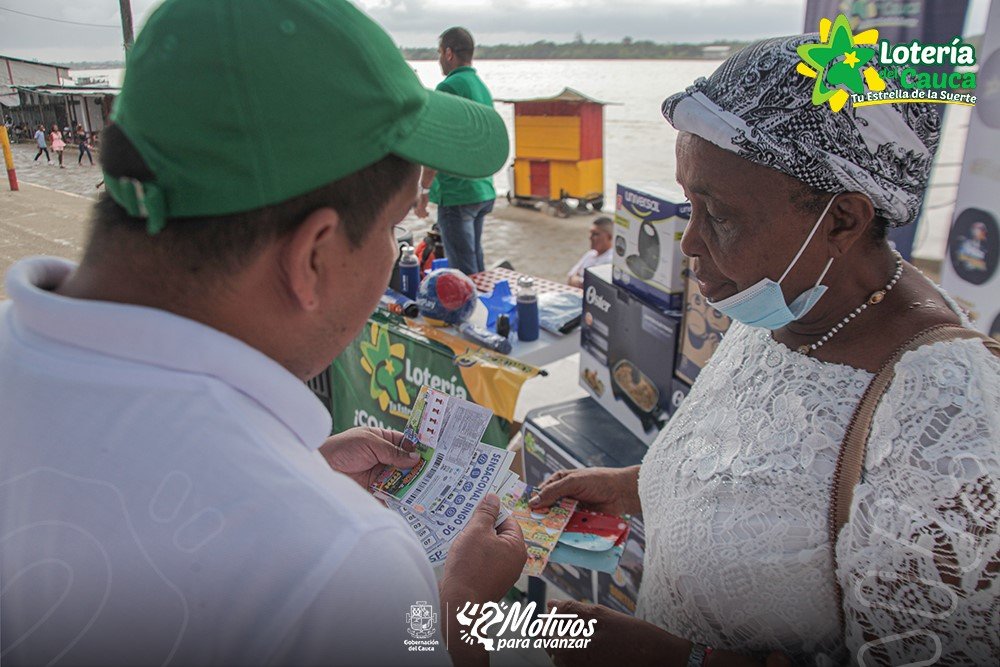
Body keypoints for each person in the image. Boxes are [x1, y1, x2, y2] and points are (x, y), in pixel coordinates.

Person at [0, 1, 523, 666]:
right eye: (395, 228)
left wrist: (296, 469)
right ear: (313, 257)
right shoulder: (344, 571)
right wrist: (455, 612)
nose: (396, 250)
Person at [531, 34, 999, 666]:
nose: (689, 241)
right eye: (687, 200)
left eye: (718, 214)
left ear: (842, 220)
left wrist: (681, 661)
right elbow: (763, 479)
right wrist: (634, 486)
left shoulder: (945, 434)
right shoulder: (781, 298)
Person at [414, 27, 498, 275]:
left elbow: (437, 147)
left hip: (458, 194)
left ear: (449, 53)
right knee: (476, 267)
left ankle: (471, 313)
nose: (439, 58)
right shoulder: (481, 88)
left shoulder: (448, 87)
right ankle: (486, 311)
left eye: (439, 52)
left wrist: (425, 189)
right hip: (482, 189)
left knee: (462, 273)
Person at [567, 216, 614, 287]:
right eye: (591, 233)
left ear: (609, 237)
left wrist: (579, 281)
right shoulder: (590, 254)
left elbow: (597, 287)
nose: (590, 237)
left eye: (596, 234)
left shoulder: (611, 260)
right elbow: (571, 277)